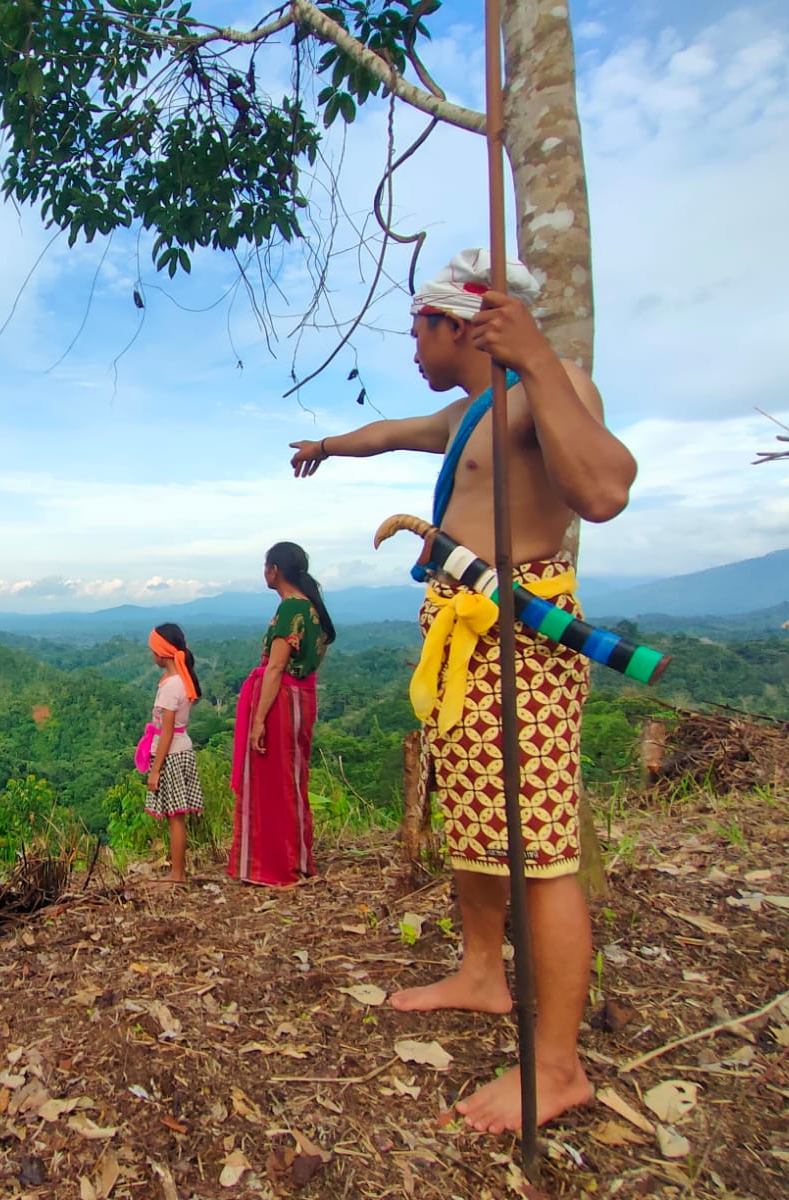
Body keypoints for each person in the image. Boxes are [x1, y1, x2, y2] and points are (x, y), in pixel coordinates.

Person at [287, 248, 637, 1133]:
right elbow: (393, 431)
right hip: (464, 651)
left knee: (541, 851)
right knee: (478, 823)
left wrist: (539, 358)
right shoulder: (470, 415)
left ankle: (556, 1067)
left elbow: (603, 487)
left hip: (520, 642)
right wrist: (328, 445)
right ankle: (485, 972)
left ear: (460, 324)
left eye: (418, 327)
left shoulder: (550, 391)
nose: (411, 342)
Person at [229, 542, 334, 887]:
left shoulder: (291, 610)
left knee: (272, 783)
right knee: (292, 778)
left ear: (275, 570)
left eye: (266, 566)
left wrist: (258, 720)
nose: (264, 573)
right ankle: (296, 858)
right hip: (302, 699)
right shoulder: (312, 609)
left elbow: (275, 668)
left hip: (280, 702)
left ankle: (272, 865)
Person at [136, 624, 205, 884]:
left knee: (175, 818)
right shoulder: (182, 680)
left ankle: (178, 874)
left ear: (162, 653)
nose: (151, 655)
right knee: (176, 816)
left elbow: (166, 733)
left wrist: (155, 770)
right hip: (182, 748)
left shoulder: (170, 687)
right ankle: (177, 870)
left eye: (153, 650)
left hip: (171, 754)